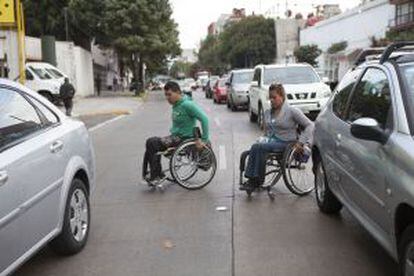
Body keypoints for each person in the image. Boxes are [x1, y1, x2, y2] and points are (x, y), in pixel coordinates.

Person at [240, 83, 314, 191]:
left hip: (286, 142)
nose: (272, 100)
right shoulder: (268, 112)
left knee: (258, 147)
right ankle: (252, 178)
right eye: (270, 98)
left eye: (274, 97)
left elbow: (310, 125)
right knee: (251, 149)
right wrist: (264, 138)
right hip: (272, 141)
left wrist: (301, 142)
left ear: (282, 96)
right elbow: (267, 131)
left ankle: (255, 180)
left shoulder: (292, 111)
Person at [142, 81, 210, 182]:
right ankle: (153, 173)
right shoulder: (176, 105)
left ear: (178, 92)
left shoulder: (187, 105)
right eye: (166, 95)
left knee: (152, 142)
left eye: (169, 94)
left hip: (183, 139)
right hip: (176, 137)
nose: (167, 98)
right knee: (150, 143)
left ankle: (156, 174)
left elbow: (204, 119)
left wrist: (204, 139)